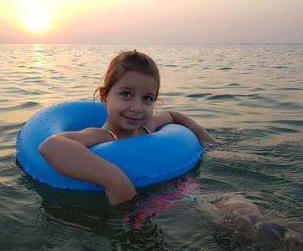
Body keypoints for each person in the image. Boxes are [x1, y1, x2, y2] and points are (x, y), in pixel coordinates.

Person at [38, 50, 217, 205]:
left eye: (147, 98)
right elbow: (51, 145)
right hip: (139, 206)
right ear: (105, 97)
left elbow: (173, 115)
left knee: (239, 212)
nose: (137, 108)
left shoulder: (148, 126)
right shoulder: (103, 136)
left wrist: (208, 140)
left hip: (181, 193)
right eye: (126, 94)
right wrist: (114, 180)